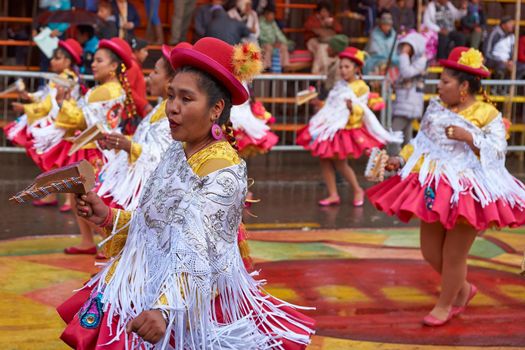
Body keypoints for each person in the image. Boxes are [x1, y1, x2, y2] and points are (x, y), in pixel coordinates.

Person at [57, 36, 315, 348]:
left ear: (216, 109)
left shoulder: (223, 171)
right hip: (145, 292)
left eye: (186, 99)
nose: (172, 109)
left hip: (187, 312)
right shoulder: (177, 151)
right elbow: (153, 227)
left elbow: (202, 253)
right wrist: (108, 216)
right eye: (171, 96)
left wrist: (166, 308)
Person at [367, 47, 525, 326]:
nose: (439, 87)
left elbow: (499, 151)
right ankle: (463, 289)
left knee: (453, 256)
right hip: (436, 186)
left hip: (471, 191)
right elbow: (420, 143)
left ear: (464, 86)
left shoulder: (487, 114)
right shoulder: (436, 109)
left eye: (445, 82)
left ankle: (446, 304)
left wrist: (470, 137)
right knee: (430, 251)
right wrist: (399, 159)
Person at [296, 47, 402, 207]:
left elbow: (363, 110)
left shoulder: (361, 87)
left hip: (346, 129)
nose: (343, 70)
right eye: (341, 67)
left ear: (356, 68)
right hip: (332, 128)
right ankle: (333, 194)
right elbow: (333, 106)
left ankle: (357, 189)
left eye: (347, 67)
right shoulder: (340, 85)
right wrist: (319, 103)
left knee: (340, 163)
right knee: (324, 160)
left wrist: (353, 108)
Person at [96, 44, 180, 212]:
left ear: (170, 82)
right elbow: (146, 142)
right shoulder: (160, 108)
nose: (149, 76)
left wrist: (127, 145)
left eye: (156, 72)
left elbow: (162, 157)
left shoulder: (173, 113)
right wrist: (121, 142)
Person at [3, 39, 83, 212]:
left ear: (68, 61)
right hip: (60, 123)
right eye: (54, 58)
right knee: (57, 164)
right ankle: (53, 195)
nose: (53, 61)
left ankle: (68, 200)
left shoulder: (65, 78)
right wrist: (29, 97)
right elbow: (47, 98)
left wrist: (26, 106)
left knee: (62, 164)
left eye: (58, 58)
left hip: (62, 125)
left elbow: (47, 103)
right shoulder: (64, 77)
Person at [390, 31, 427, 154]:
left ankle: (392, 163)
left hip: (409, 104)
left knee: (393, 134)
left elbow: (406, 72)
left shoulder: (421, 60)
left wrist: (404, 54)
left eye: (408, 46)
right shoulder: (413, 61)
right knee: (407, 139)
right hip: (404, 104)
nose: (404, 49)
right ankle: (407, 167)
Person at [304, 1, 343, 75]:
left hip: (327, 43)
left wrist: (332, 24)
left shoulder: (331, 19)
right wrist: (322, 24)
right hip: (313, 41)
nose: (325, 13)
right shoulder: (313, 18)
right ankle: (319, 73)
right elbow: (308, 27)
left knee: (331, 50)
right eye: (323, 11)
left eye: (327, 11)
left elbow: (339, 29)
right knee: (321, 49)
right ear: (319, 11)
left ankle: (328, 72)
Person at [483, 16, 522, 81]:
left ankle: (508, 88)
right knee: (502, 67)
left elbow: (512, 53)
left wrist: (511, 61)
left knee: (521, 67)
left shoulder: (512, 36)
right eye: (510, 23)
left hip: (507, 61)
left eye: (512, 23)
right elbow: (487, 52)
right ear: (503, 25)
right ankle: (497, 89)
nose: (512, 25)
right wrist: (503, 62)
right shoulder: (494, 33)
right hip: (493, 60)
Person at [259, 5, 290, 71]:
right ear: (266, 14)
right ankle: (266, 68)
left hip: (273, 44)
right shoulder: (260, 22)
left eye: (273, 15)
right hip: (263, 44)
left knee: (283, 47)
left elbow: (279, 34)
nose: (273, 17)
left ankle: (284, 68)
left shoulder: (273, 23)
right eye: (271, 15)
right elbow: (260, 37)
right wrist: (272, 43)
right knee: (268, 48)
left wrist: (283, 42)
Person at [127, 37, 151, 119]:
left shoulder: (133, 64)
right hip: (133, 112)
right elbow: (128, 89)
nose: (147, 54)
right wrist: (144, 105)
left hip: (135, 110)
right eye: (144, 50)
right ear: (137, 51)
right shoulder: (133, 66)